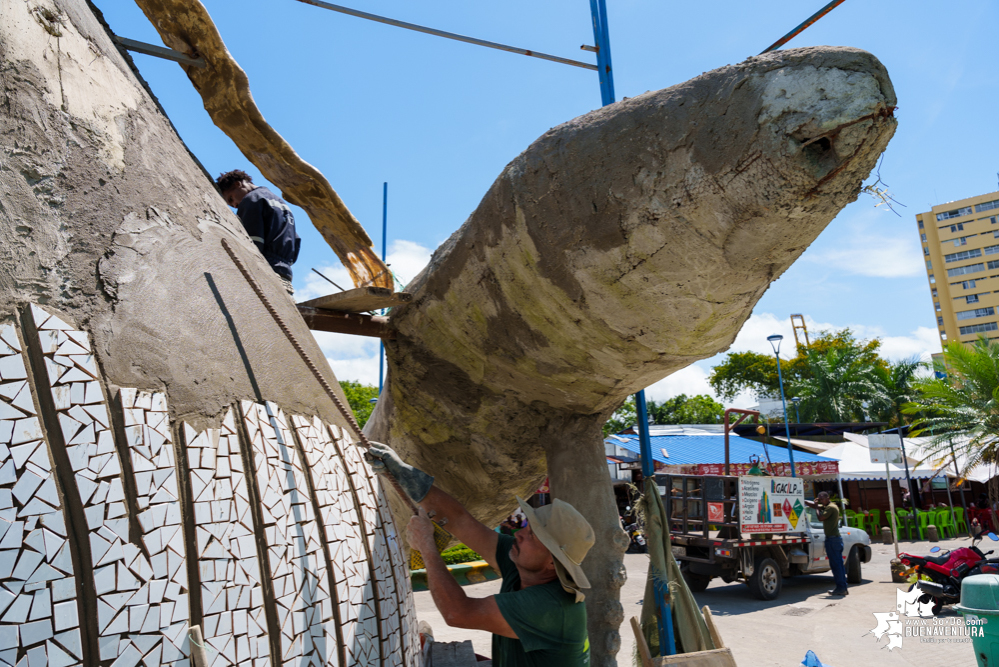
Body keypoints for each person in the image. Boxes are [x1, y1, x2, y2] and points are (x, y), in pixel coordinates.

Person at [365, 442, 593, 667]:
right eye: (527, 527)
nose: (519, 534)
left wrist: (427, 546)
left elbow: (457, 613)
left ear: (552, 563)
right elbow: (461, 520)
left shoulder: (548, 606)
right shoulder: (523, 563)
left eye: (533, 535)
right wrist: (405, 474)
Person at [216, 170, 301, 295]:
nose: (234, 205)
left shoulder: (251, 200)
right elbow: (296, 240)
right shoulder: (281, 203)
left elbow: (252, 243)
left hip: (265, 269)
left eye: (231, 198)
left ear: (237, 184)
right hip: (285, 273)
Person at [805, 492, 848, 596]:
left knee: (836, 565)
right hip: (833, 539)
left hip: (833, 540)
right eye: (819, 499)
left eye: (822, 499)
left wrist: (815, 507)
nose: (820, 501)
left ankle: (841, 588)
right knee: (838, 564)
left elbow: (820, 518)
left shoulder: (830, 508)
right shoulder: (828, 506)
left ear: (827, 498)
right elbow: (816, 506)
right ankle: (842, 587)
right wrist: (804, 501)